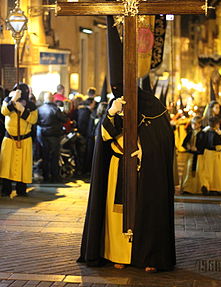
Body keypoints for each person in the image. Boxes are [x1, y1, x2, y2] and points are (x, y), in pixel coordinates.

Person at [77, 16, 176, 272]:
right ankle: (117, 253)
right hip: (116, 166)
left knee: (147, 211)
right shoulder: (114, 106)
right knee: (114, 213)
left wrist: (146, 150)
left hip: (145, 170)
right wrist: (112, 115)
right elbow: (103, 137)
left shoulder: (153, 106)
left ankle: (149, 256)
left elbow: (161, 139)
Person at [0, 83, 38, 197]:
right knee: (7, 165)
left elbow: (33, 119)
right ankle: (6, 189)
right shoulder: (8, 100)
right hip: (10, 139)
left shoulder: (31, 105)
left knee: (23, 165)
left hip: (24, 139)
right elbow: (4, 112)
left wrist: (22, 109)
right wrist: (13, 100)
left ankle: (21, 189)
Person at [36, 91, 68, 182]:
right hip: (54, 135)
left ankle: (46, 176)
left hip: (42, 135)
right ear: (52, 98)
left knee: (45, 156)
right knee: (54, 157)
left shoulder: (40, 109)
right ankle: (55, 176)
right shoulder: (55, 109)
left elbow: (36, 121)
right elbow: (64, 119)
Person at [200, 116, 221, 195]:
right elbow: (219, 144)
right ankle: (214, 188)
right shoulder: (216, 133)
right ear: (217, 125)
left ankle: (207, 186)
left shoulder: (205, 132)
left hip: (206, 153)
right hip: (215, 154)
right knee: (216, 172)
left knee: (208, 171)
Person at [181, 116, 204, 194]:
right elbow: (184, 143)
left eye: (195, 124)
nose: (193, 126)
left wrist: (198, 149)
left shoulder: (202, 134)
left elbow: (204, 144)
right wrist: (188, 147)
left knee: (197, 172)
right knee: (188, 171)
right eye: (192, 124)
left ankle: (196, 188)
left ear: (200, 124)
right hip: (190, 155)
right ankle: (187, 188)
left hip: (199, 156)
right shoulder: (190, 133)